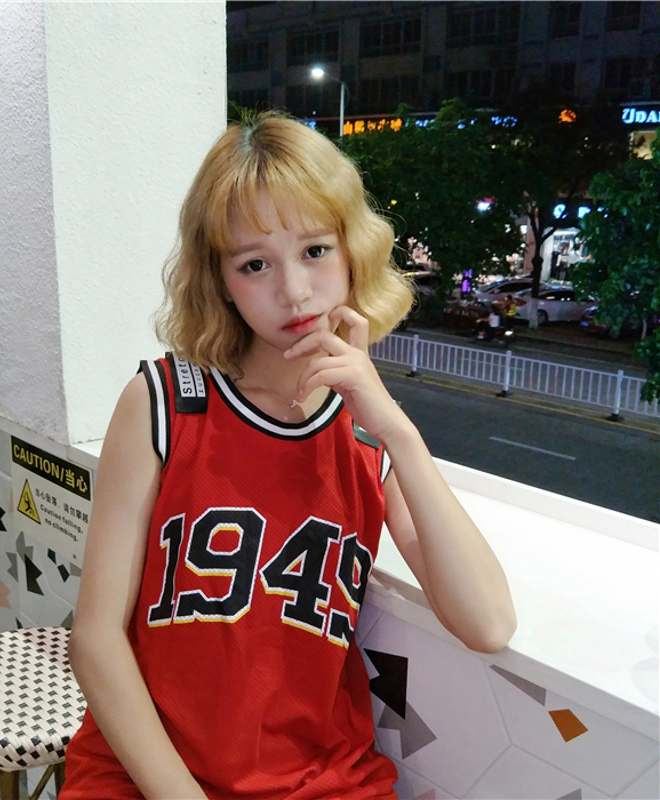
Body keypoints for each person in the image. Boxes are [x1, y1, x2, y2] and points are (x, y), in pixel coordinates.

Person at [60, 112, 516, 800]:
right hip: (148, 776)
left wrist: (398, 431)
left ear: (352, 252)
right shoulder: (165, 404)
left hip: (320, 781)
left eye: (315, 250)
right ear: (220, 280)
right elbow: (95, 640)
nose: (294, 291)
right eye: (254, 264)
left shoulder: (367, 437)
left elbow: (488, 623)